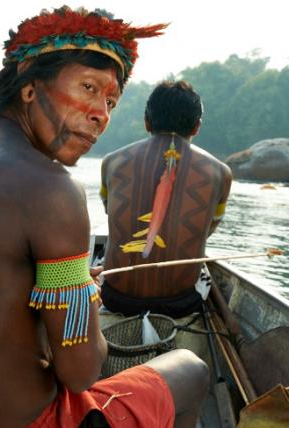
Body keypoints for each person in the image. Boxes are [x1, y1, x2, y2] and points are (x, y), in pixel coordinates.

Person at [0, 7, 209, 428]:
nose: (102, 113)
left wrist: (71, 286)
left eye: (111, 100)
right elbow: (80, 373)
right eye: (88, 87)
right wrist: (83, 290)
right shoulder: (50, 189)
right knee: (191, 368)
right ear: (29, 86)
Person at [99, 80, 233, 318]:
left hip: (116, 297)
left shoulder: (112, 162)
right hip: (180, 302)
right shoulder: (220, 173)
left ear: (147, 122)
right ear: (197, 127)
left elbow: (112, 213)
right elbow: (208, 230)